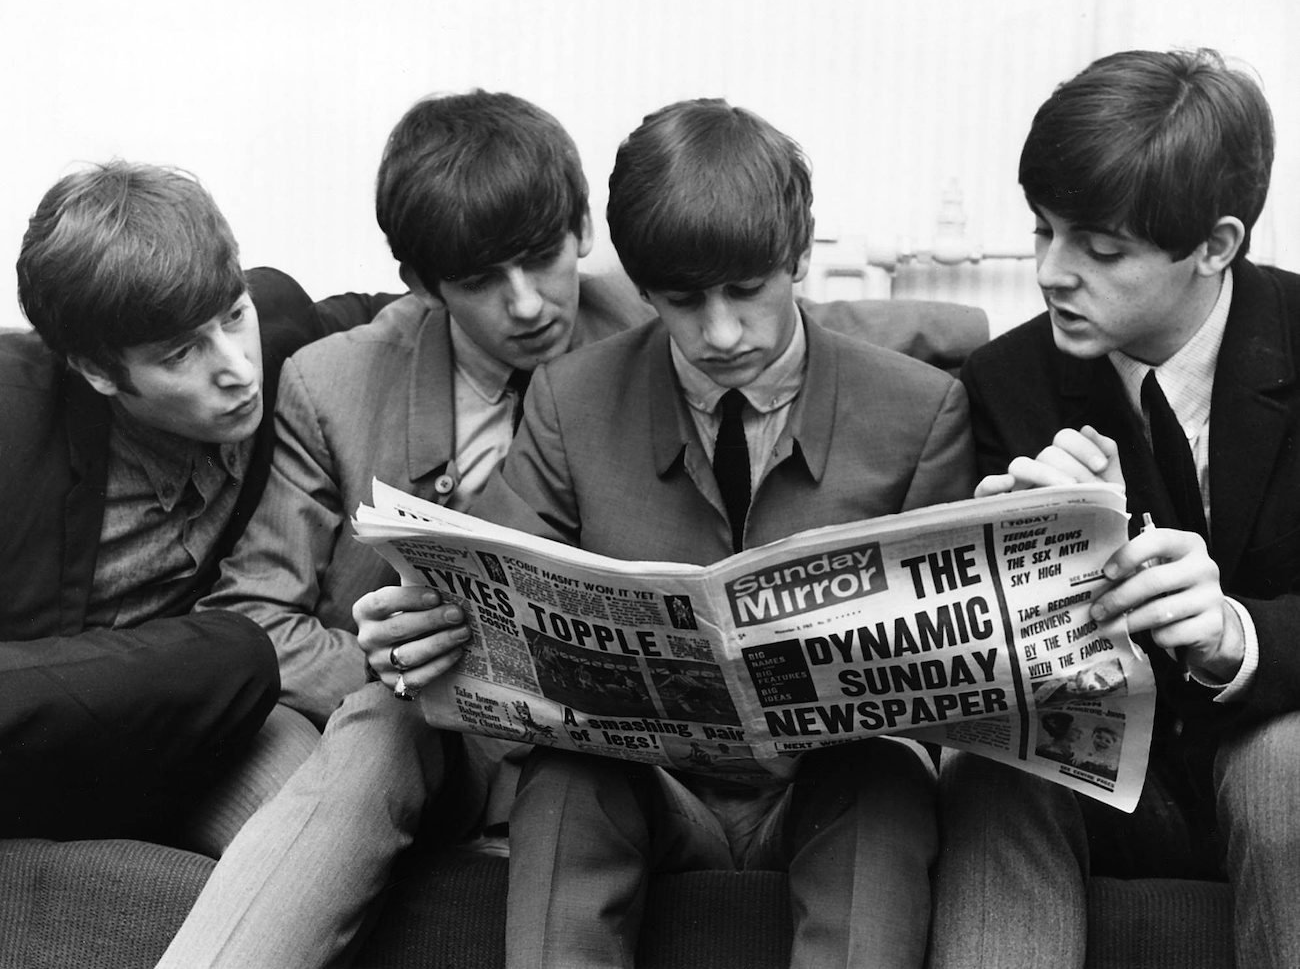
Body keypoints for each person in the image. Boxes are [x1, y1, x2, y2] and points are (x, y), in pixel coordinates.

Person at [457, 98, 975, 969]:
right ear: (641, 285)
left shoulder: (922, 410)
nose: (721, 332)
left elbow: (957, 688)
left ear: (800, 257)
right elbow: (493, 622)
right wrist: (436, 635)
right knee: (564, 776)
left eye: (747, 289)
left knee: (884, 777)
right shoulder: (568, 401)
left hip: (826, 792)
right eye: (683, 300)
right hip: (651, 792)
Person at [156, 90, 652, 969]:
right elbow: (256, 617)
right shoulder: (334, 382)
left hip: (617, 759)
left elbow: (822, 344)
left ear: (582, 228)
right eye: (479, 283)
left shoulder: (666, 342)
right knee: (384, 728)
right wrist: (423, 673)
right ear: (422, 286)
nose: (528, 304)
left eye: (543, 260)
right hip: (430, 742)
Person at [929, 48, 1299, 969]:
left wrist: (1236, 636)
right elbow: (969, 676)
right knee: (993, 766)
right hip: (1097, 767)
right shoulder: (1004, 382)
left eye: (1098, 249)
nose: (1053, 272)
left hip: (1273, 749)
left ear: (1216, 245)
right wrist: (1015, 567)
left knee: (1286, 764)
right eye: (1042, 231)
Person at [0, 161, 386, 852]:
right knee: (234, 651)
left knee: (292, 758)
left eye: (234, 317)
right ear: (97, 372)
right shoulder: (12, 418)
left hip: (179, 734)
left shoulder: (283, 329)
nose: (238, 369)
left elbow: (403, 316)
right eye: (181, 355)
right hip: (33, 735)